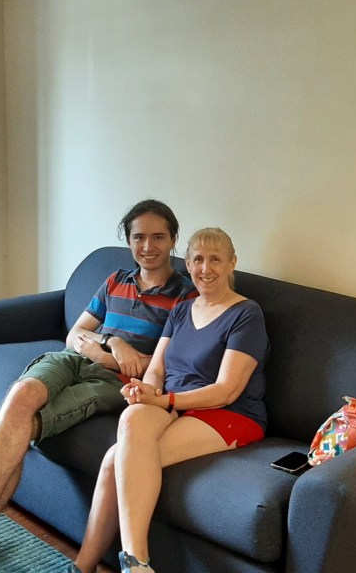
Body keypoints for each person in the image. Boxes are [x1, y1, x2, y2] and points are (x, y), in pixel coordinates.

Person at [0, 199, 197, 562]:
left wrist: (111, 357)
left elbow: (169, 364)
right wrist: (113, 343)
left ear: (173, 239)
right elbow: (75, 335)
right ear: (129, 240)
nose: (148, 246)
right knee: (21, 395)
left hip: (115, 383)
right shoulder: (116, 280)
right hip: (76, 359)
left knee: (30, 422)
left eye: (158, 237)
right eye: (139, 237)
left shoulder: (186, 296)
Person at [72, 228, 269, 573]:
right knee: (132, 417)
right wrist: (144, 392)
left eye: (215, 259)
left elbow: (226, 390)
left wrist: (163, 401)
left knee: (116, 462)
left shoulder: (246, 314)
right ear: (187, 265)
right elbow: (157, 370)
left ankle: (129, 562)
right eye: (197, 259)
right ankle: (102, 565)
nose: (205, 268)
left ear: (232, 263)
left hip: (228, 413)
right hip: (176, 405)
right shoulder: (181, 310)